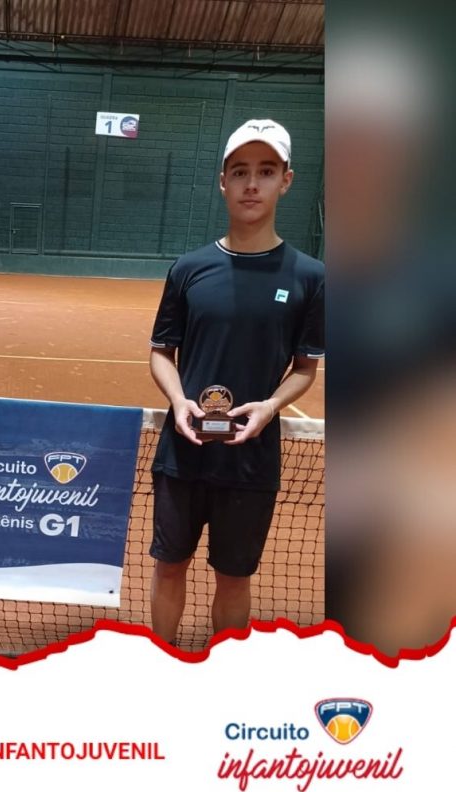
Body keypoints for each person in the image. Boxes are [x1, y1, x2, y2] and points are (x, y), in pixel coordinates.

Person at [148, 118, 323, 645]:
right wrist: (179, 400)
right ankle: (161, 661)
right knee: (168, 566)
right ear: (222, 181)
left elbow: (305, 368)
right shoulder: (188, 269)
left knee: (234, 577)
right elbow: (161, 353)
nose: (252, 184)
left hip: (251, 460)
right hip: (183, 452)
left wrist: (269, 406)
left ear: (285, 181)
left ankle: (225, 673)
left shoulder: (310, 277)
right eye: (240, 171)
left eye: (266, 171)